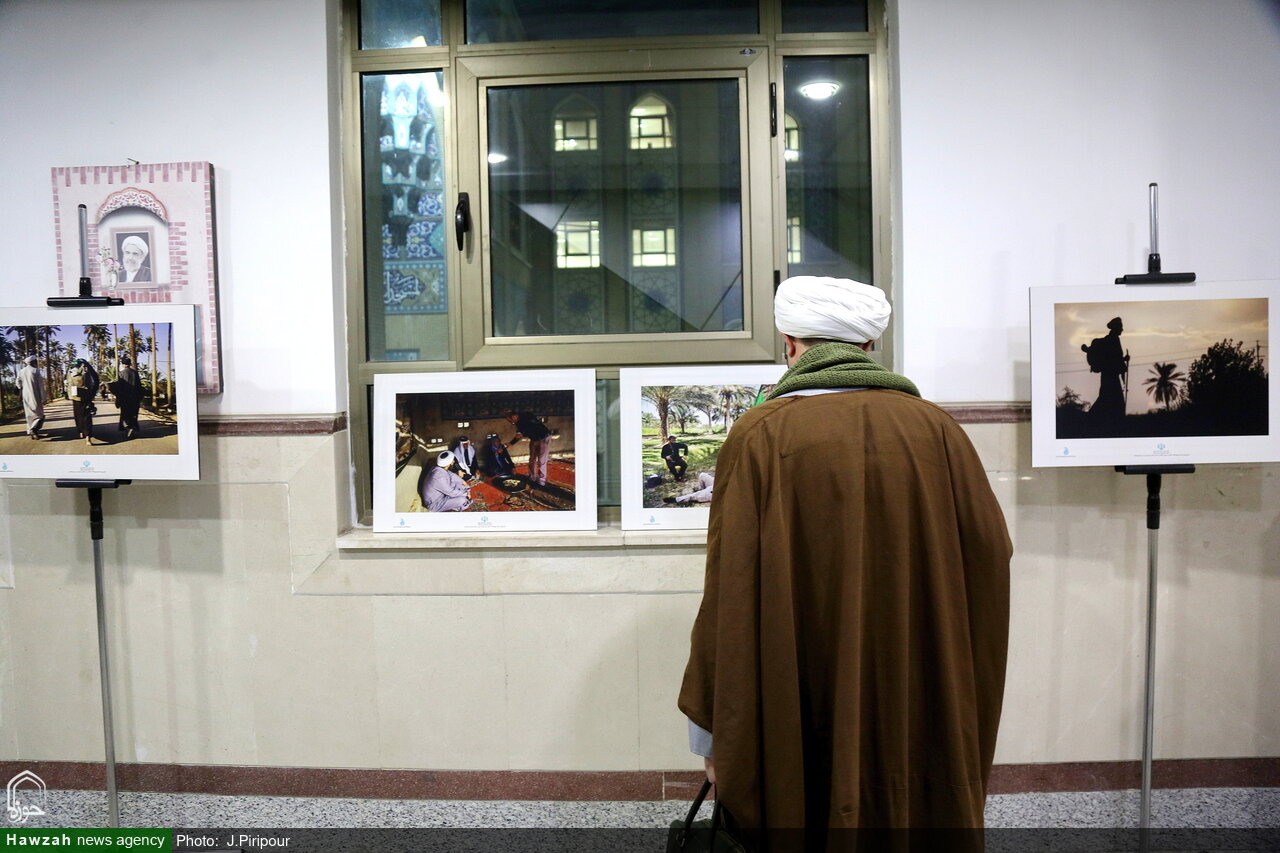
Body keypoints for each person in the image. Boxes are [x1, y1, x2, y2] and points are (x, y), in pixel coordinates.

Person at [678, 275, 1011, 846]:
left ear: (789, 342)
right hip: (912, 695)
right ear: (867, 346)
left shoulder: (760, 434)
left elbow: (728, 588)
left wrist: (712, 735)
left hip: (796, 697)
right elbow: (989, 558)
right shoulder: (938, 430)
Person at [1081, 316, 1129, 422]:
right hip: (1110, 376)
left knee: (1106, 398)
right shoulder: (1112, 340)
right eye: (1121, 327)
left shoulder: (1111, 339)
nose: (1122, 329)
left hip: (1109, 375)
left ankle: (1093, 419)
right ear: (1116, 328)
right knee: (1111, 400)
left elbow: (1113, 357)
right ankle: (1091, 420)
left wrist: (1123, 360)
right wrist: (1123, 362)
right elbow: (1113, 358)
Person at [504, 410, 552, 486]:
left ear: (514, 416)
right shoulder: (518, 423)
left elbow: (531, 427)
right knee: (532, 459)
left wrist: (523, 433)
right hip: (534, 439)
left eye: (511, 421)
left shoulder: (527, 415)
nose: (512, 423)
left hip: (543, 437)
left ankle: (541, 482)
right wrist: (510, 444)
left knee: (541, 461)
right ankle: (532, 477)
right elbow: (519, 435)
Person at [66, 358, 101, 446]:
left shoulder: (70, 370)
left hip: (76, 397)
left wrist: (69, 395)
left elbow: (67, 383)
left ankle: (81, 432)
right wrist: (92, 394)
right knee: (87, 417)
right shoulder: (88, 369)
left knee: (78, 416)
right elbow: (96, 381)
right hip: (86, 396)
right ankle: (87, 437)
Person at [111, 355, 143, 439]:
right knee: (133, 414)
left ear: (123, 364)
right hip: (134, 398)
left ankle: (128, 428)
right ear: (129, 364)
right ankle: (133, 427)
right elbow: (139, 386)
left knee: (125, 414)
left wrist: (118, 397)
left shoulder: (121, 373)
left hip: (125, 398)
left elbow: (119, 387)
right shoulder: (135, 373)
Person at [17, 356, 46, 440]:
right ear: (33, 362)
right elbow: (40, 385)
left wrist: (22, 388)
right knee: (39, 414)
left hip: (25, 395)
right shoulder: (35, 371)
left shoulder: (22, 371)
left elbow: (18, 382)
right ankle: (34, 429)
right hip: (35, 395)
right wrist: (43, 398)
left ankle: (32, 432)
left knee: (29, 415)